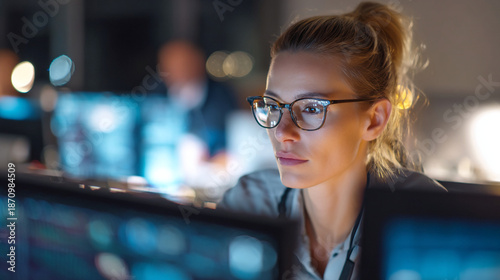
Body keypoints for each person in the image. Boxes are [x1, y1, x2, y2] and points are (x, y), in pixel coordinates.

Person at [218, 2, 446, 280]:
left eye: (312, 108)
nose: (281, 132)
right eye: (273, 105)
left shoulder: (424, 219)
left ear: (374, 119)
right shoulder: (250, 204)